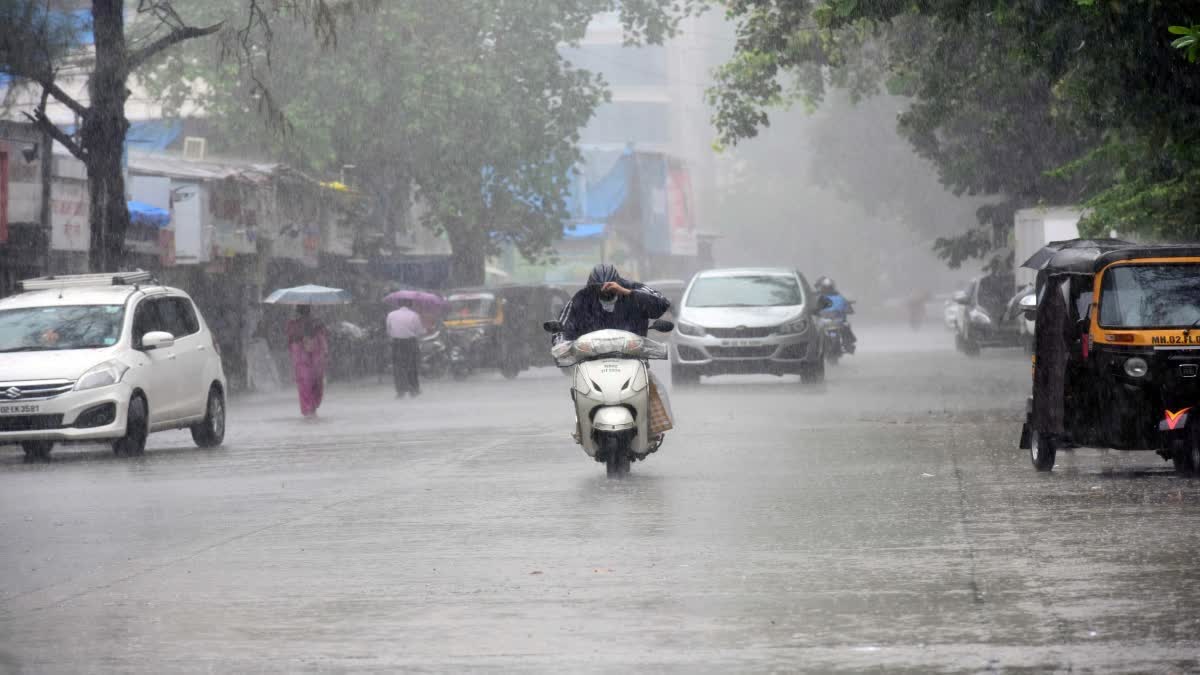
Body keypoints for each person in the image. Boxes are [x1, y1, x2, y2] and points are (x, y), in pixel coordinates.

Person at [554, 264, 671, 344]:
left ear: (618, 283)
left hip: (633, 358)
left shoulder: (633, 288)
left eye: (610, 286)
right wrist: (561, 344)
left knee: (651, 381)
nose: (604, 290)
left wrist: (627, 293)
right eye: (598, 287)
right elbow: (562, 327)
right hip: (590, 361)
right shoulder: (581, 298)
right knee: (577, 380)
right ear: (590, 286)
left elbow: (662, 304)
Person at [286, 305, 329, 418]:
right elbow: (323, 343)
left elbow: (290, 342)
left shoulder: (315, 325)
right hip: (307, 360)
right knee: (311, 384)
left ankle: (310, 410)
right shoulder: (297, 325)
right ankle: (311, 410)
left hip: (308, 360)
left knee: (308, 384)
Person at [386, 298, 425, 398]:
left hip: (397, 343)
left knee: (398, 368)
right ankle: (414, 389)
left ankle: (400, 390)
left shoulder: (391, 315)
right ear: (410, 304)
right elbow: (419, 331)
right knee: (412, 366)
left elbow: (389, 330)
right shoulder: (414, 315)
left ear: (399, 304)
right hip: (410, 343)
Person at [815, 276, 857, 348]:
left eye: (829, 287)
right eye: (826, 288)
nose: (828, 290)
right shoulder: (819, 297)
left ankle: (847, 344)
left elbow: (849, 309)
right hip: (827, 322)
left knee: (846, 326)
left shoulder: (838, 297)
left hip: (835, 321)